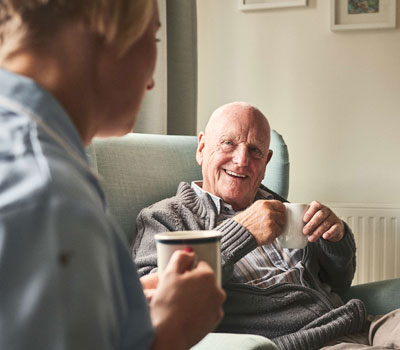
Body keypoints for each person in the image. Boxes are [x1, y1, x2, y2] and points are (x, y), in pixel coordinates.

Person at [0, 1, 226, 350]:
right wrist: (171, 332)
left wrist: (113, 301)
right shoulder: (51, 200)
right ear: (98, 28)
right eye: (154, 37)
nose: (152, 81)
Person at [133, 101, 400, 350]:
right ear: (202, 148)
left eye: (255, 150)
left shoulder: (281, 207)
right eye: (228, 143)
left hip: (363, 324)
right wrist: (243, 231)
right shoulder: (165, 217)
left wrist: (336, 239)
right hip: (304, 342)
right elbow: (154, 303)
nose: (241, 160)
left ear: (267, 161)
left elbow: (341, 282)